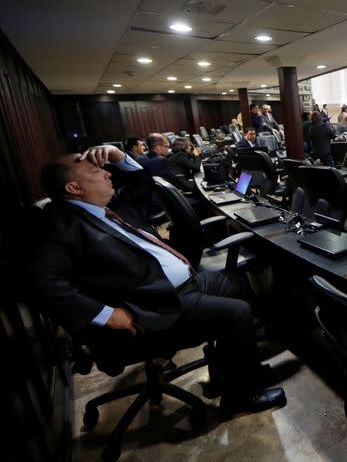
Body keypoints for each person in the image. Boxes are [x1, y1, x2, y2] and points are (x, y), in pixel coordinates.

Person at [30, 144, 286, 413]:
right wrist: (106, 314)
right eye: (96, 172)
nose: (108, 175)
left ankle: (231, 371)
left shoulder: (108, 206)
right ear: (74, 188)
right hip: (153, 305)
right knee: (238, 313)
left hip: (180, 284)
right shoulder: (59, 226)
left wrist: (117, 155)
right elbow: (41, 285)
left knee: (238, 285)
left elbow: (142, 183)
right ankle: (242, 396)